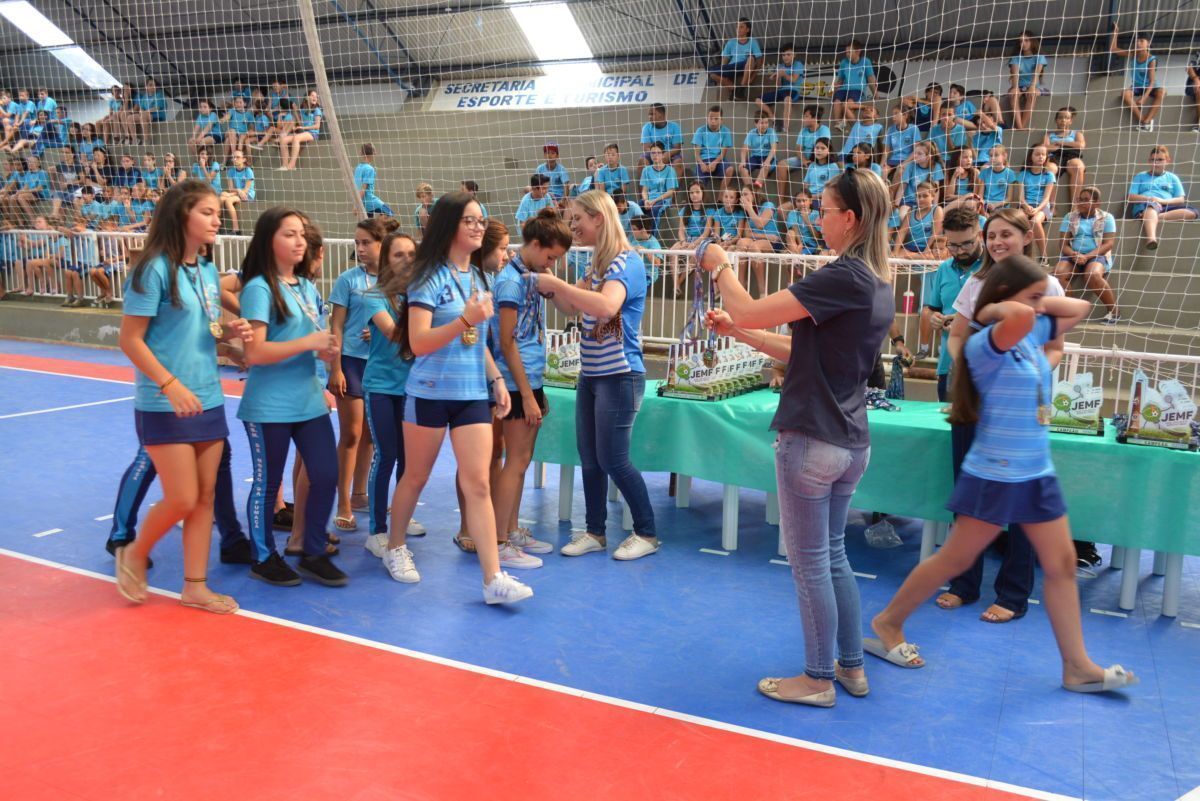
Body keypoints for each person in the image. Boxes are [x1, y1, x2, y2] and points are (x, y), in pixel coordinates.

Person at [869, 254, 1138, 695]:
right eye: (1032, 297)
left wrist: (1030, 299)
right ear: (1005, 301)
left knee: (1062, 564)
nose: (1042, 304)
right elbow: (1014, 316)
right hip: (995, 474)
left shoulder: (1030, 335)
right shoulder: (986, 345)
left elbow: (1080, 308)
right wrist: (991, 308)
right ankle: (888, 621)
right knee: (954, 560)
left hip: (1035, 473)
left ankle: (1077, 666)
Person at [695, 169, 894, 707]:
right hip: (850, 441)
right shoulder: (877, 284)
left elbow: (747, 305)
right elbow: (800, 350)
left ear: (849, 218)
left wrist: (722, 265)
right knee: (832, 559)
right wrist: (740, 333)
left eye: (824, 209)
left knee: (810, 566)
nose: (817, 217)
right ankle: (849, 668)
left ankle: (815, 679)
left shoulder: (844, 276)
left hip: (812, 439)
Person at [376, 192, 533, 603]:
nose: (479, 227)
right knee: (416, 476)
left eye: (481, 220)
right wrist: (465, 318)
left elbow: (475, 340)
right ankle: (394, 547)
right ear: (450, 226)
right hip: (429, 394)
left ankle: (492, 578)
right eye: (470, 220)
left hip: (470, 396)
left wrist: (496, 378)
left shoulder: (479, 278)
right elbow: (418, 341)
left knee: (478, 483)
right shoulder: (428, 277)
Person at [113, 179, 253, 613]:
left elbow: (202, 327)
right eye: (208, 212)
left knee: (206, 498)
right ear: (182, 216)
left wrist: (228, 333)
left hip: (208, 398)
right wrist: (169, 384)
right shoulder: (152, 269)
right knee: (181, 497)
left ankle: (195, 585)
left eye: (217, 213)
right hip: (164, 403)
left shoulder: (206, 270)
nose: (217, 220)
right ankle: (133, 552)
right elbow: (130, 340)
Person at [939, 208, 1065, 623]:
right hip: (973, 405)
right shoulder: (976, 283)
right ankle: (964, 584)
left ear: (1026, 237)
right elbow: (957, 336)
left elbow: (1054, 348)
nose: (997, 242)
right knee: (969, 497)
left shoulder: (1048, 287)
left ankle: (1013, 595)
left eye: (1006, 234)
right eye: (991, 235)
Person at [534, 190, 657, 561]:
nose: (573, 226)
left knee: (614, 459)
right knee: (589, 457)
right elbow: (574, 305)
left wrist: (558, 286)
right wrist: (548, 281)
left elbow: (605, 306)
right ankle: (594, 531)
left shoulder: (627, 263)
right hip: (591, 374)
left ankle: (647, 533)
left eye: (577, 219)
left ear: (599, 219)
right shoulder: (598, 267)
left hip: (620, 375)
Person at [238, 207, 345, 587]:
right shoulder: (258, 288)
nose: (299, 241)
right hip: (269, 405)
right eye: (289, 234)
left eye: (301, 233)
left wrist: (325, 352)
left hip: (307, 400)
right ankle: (263, 556)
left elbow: (309, 343)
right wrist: (309, 343)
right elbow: (255, 353)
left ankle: (311, 549)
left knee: (326, 473)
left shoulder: (305, 288)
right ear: (269, 240)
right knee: (268, 483)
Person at [490, 209, 573, 559]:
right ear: (535, 245)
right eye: (550, 256)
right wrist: (526, 395)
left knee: (522, 460)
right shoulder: (510, 281)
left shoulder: (530, 274)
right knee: (516, 461)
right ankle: (497, 542)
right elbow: (507, 342)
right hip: (513, 381)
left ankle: (511, 530)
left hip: (530, 376)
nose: (552, 263)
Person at [328, 217, 398, 532]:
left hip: (381, 365)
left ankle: (360, 494)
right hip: (352, 363)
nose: (359, 248)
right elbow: (337, 326)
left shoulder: (395, 283)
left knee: (372, 435)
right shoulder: (348, 280)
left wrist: (377, 332)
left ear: (383, 245)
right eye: (356, 243)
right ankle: (343, 502)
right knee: (352, 434)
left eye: (365, 242)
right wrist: (336, 367)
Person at [361, 231, 425, 556]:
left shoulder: (418, 296)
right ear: (386, 258)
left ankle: (401, 515)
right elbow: (393, 333)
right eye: (398, 254)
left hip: (411, 388)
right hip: (382, 387)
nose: (406, 261)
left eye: (411, 255)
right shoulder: (373, 296)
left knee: (408, 459)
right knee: (386, 455)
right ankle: (376, 531)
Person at [920, 208, 983, 400]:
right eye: (953, 245)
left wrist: (964, 321)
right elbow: (933, 309)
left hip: (985, 365)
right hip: (948, 364)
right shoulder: (944, 269)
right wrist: (935, 320)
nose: (960, 251)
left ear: (979, 235)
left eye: (967, 244)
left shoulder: (994, 267)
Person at [1055, 186, 1119, 324]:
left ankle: (1113, 311)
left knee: (1092, 275)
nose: (1081, 203)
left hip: (1097, 254)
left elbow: (1108, 244)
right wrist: (1074, 254)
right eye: (1079, 199)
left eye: (1086, 200)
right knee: (1058, 274)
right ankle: (1069, 311)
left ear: (1097, 203)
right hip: (1073, 254)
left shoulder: (1107, 218)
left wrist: (1087, 256)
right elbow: (1063, 244)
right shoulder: (1069, 217)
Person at [1126, 145, 1199, 249]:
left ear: (1167, 161)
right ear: (1149, 161)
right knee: (1152, 207)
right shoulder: (1140, 176)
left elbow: (1181, 199)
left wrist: (1163, 201)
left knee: (1193, 213)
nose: (1156, 163)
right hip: (1147, 206)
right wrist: (1149, 199)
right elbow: (1130, 197)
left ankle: (1151, 219)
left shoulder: (1172, 177)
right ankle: (1151, 239)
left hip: (1166, 207)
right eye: (1153, 160)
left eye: (1160, 159)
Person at [1111, 24, 1165, 132]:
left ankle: (1147, 122)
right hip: (1137, 86)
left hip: (1150, 87)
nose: (1138, 43)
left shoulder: (1152, 59)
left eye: (1141, 41)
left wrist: (1144, 98)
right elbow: (1114, 49)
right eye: (1137, 41)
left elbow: (1152, 81)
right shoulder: (1133, 54)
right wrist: (1115, 32)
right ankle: (1142, 120)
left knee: (1162, 92)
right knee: (1125, 93)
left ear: (1148, 43)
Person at [735, 185, 781, 297]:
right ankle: (741, 285)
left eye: (746, 194)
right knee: (741, 243)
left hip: (774, 242)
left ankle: (762, 290)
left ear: (754, 194)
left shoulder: (768, 205)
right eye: (742, 195)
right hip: (762, 239)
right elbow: (747, 233)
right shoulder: (746, 211)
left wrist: (749, 208)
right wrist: (765, 236)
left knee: (754, 247)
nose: (743, 197)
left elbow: (760, 224)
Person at [708, 17, 762, 100]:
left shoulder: (753, 41)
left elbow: (759, 59)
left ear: (748, 30)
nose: (738, 29)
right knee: (711, 72)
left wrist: (753, 76)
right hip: (732, 67)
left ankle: (742, 88)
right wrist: (723, 74)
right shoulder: (731, 42)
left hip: (744, 66)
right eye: (737, 27)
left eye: (741, 27)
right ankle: (735, 90)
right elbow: (725, 60)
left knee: (751, 58)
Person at [1017, 144, 1056, 256]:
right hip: (1025, 205)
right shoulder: (1023, 174)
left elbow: (1046, 198)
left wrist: (1037, 209)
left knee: (1034, 221)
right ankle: (1019, 254)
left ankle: (1044, 256)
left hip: (1044, 207)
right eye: (1037, 154)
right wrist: (1026, 206)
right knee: (1018, 220)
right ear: (1031, 156)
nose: (1040, 157)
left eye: (1043, 154)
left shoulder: (1049, 175)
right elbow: (1020, 198)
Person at [756, 44, 805, 132]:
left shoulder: (798, 64)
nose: (785, 57)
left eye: (788, 54)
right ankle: (775, 120)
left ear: (794, 55)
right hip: (780, 91)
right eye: (783, 55)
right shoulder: (780, 66)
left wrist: (784, 74)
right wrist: (777, 77)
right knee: (758, 100)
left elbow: (794, 79)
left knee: (787, 99)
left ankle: (785, 127)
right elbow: (778, 86)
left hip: (793, 90)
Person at [1042, 107, 1086, 203]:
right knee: (1049, 168)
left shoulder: (1076, 134)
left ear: (1070, 121)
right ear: (1056, 120)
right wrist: (1054, 148)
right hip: (1055, 156)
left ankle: (1075, 206)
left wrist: (1061, 143)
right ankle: (1052, 206)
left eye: (1066, 118)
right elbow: (1045, 147)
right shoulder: (1049, 134)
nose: (1063, 120)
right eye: (1060, 117)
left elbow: (1081, 145)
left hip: (1071, 156)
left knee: (1078, 166)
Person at [830, 40, 877, 129]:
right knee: (836, 101)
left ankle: (844, 122)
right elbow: (840, 79)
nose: (847, 54)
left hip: (857, 89)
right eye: (846, 52)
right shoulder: (844, 62)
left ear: (858, 51)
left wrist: (875, 94)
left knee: (849, 102)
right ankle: (838, 123)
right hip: (844, 89)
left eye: (849, 52)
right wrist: (834, 91)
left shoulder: (865, 61)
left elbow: (871, 79)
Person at [1008, 31, 1048, 130]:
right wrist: (1015, 88)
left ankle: (1022, 127)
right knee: (1013, 94)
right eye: (1021, 41)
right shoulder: (1016, 58)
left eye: (1026, 40)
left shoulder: (1039, 57)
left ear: (1032, 42)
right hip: (1019, 86)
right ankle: (1020, 127)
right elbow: (1015, 75)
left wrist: (1032, 87)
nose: (1023, 43)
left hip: (1035, 86)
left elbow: (1036, 74)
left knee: (1032, 94)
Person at [893, 181, 943, 258]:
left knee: (928, 257)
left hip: (927, 249)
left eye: (925, 196)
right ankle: (913, 256)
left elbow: (935, 234)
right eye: (918, 196)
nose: (921, 199)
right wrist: (895, 252)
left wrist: (926, 251)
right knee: (897, 255)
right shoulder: (911, 211)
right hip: (911, 248)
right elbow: (902, 232)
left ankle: (914, 256)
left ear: (932, 196)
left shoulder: (937, 210)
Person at [639, 142, 678, 236]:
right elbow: (644, 190)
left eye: (658, 153)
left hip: (663, 199)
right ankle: (639, 237)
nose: (655, 155)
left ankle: (652, 236)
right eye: (653, 153)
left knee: (655, 209)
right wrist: (646, 200)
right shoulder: (646, 170)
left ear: (663, 154)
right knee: (638, 206)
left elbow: (670, 192)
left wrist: (654, 201)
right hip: (650, 199)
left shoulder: (670, 170)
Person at [278, 89, 322, 171]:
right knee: (283, 140)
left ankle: (292, 165)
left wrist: (303, 128)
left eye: (316, 96)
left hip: (313, 134)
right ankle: (284, 165)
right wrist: (295, 111)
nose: (315, 97)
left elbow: (317, 126)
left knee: (296, 138)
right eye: (312, 96)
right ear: (306, 97)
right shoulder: (302, 110)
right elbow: (301, 123)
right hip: (304, 133)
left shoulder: (317, 110)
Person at [691, 105, 733, 189]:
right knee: (699, 185)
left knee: (730, 169)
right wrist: (702, 164)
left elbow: (723, 153)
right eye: (710, 118)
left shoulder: (726, 131)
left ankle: (720, 199)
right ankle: (702, 200)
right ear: (707, 118)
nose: (713, 121)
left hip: (718, 160)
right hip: (703, 160)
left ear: (721, 120)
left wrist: (715, 162)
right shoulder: (700, 130)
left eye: (716, 118)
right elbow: (697, 154)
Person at [638, 103, 685, 177]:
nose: (649, 117)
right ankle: (643, 188)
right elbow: (646, 148)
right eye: (649, 114)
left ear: (662, 115)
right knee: (642, 161)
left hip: (670, 154)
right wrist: (657, 155)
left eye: (652, 114)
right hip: (652, 153)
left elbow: (677, 148)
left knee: (678, 162)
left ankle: (673, 188)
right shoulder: (646, 127)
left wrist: (667, 154)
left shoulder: (674, 126)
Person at [737, 110, 779, 190]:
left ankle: (756, 189)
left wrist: (767, 161)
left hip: (768, 157)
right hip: (755, 158)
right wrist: (743, 160)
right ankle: (751, 190)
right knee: (742, 168)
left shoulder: (771, 132)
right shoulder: (751, 133)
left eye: (766, 122)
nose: (764, 125)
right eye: (761, 123)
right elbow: (744, 149)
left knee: (765, 167)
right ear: (755, 124)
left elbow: (774, 149)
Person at [220, 149, 255, 234]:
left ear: (244, 159)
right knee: (221, 197)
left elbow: (246, 190)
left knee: (228, 200)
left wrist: (234, 193)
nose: (235, 159)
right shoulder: (231, 171)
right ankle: (220, 226)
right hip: (238, 193)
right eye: (233, 157)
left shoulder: (248, 171)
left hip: (247, 195)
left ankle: (236, 229)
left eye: (238, 157)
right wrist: (238, 190)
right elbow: (231, 188)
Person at [354, 143, 392, 217]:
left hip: (361, 202)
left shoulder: (358, 167)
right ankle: (378, 227)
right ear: (373, 153)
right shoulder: (369, 169)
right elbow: (363, 188)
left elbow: (356, 187)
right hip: (369, 201)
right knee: (389, 213)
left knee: (369, 224)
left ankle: (375, 227)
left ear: (361, 153)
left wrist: (356, 203)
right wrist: (356, 205)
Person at [980, 145, 1016, 214]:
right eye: (990, 156)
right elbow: (980, 195)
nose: (992, 158)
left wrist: (995, 205)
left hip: (1001, 207)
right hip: (985, 206)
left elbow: (1009, 198)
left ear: (1004, 156)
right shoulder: (984, 172)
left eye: (996, 155)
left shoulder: (1010, 173)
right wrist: (985, 205)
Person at [944, 146, 982, 211]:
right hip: (953, 205)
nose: (969, 160)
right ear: (957, 159)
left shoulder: (976, 172)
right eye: (965, 157)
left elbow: (974, 197)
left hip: (969, 205)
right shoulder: (949, 172)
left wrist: (957, 197)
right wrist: (954, 177)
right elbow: (947, 197)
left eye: (971, 157)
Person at [1188, 48, 1200, 133]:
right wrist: (1196, 79)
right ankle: (1198, 125)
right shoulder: (1198, 54)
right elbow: (1189, 67)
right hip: (1194, 86)